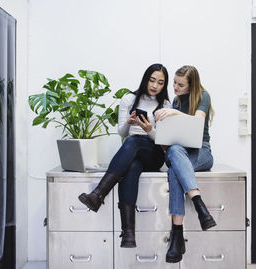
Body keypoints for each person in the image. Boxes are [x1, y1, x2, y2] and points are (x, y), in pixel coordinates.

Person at [78, 63, 171, 248]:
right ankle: (128, 234)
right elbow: (122, 132)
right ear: (146, 79)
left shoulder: (165, 105)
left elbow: (164, 143)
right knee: (133, 164)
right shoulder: (129, 99)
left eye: (160, 83)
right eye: (152, 80)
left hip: (153, 154)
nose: (155, 86)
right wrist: (129, 123)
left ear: (164, 85)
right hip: (133, 153)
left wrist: (150, 130)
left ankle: (98, 194)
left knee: (133, 141)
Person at [154, 65, 216, 263]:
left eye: (180, 85)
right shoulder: (175, 100)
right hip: (180, 152)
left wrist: (173, 113)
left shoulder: (203, 96)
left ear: (192, 85)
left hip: (202, 152)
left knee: (175, 169)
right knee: (174, 159)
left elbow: (197, 123)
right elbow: (173, 139)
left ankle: (177, 236)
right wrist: (159, 129)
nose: (175, 87)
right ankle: (198, 204)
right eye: (174, 82)